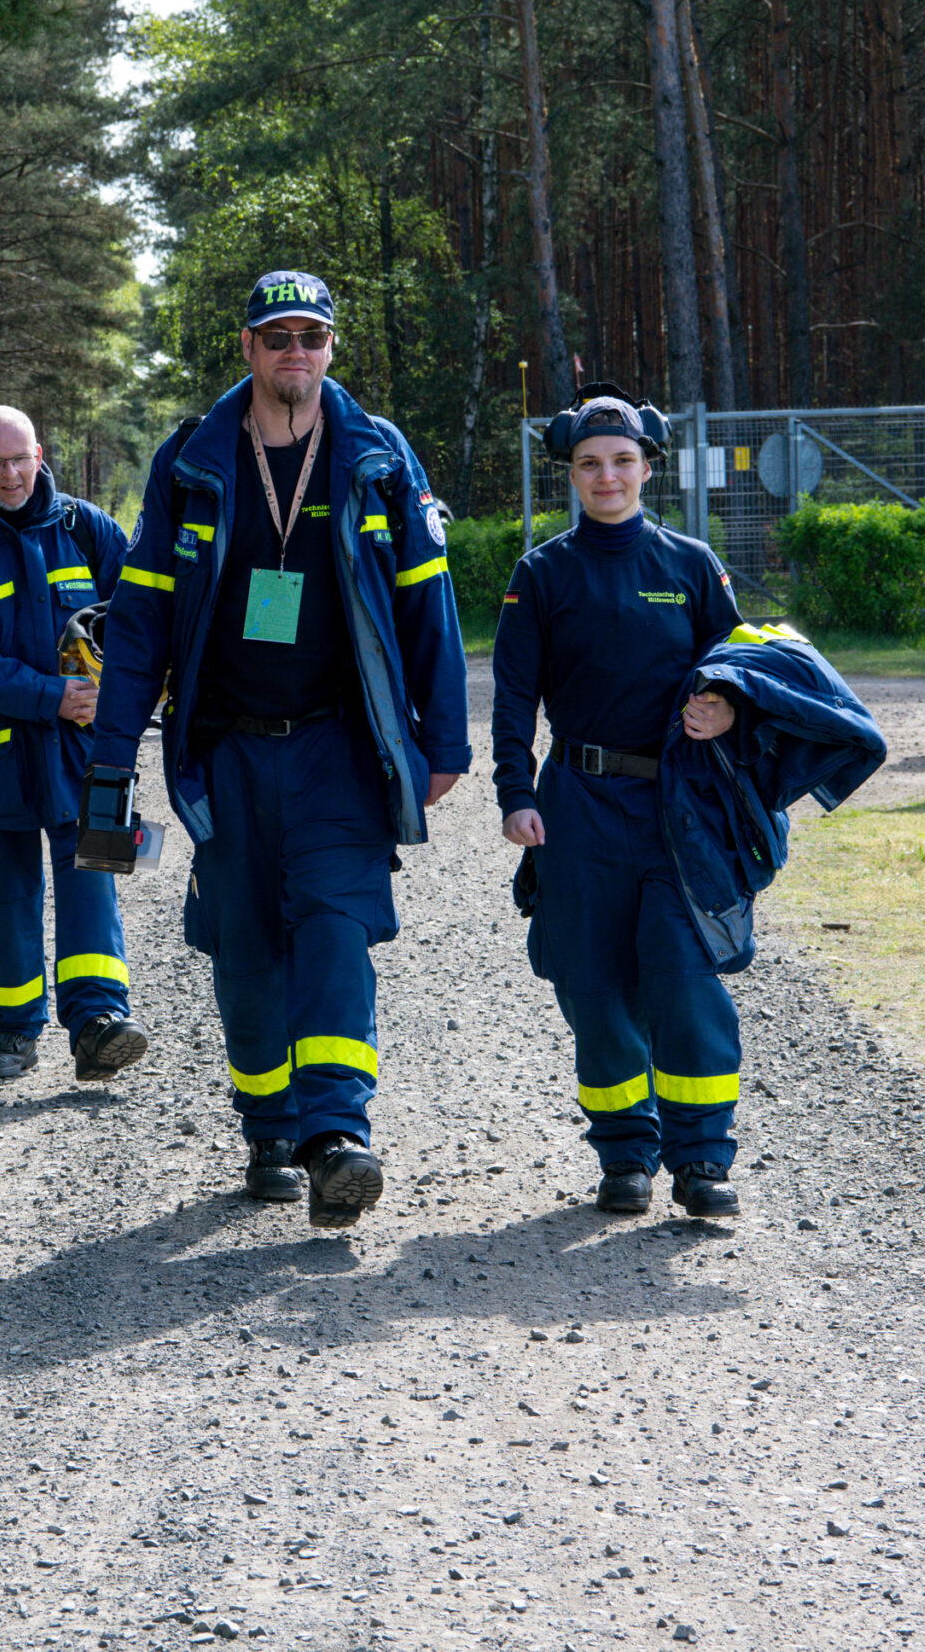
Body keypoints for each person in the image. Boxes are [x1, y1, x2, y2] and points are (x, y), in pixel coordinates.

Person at [88, 270, 470, 1228]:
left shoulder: (378, 455)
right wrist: (112, 753)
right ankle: (268, 1128)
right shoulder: (192, 459)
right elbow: (140, 620)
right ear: (248, 347)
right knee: (246, 946)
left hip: (341, 745)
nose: (295, 351)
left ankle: (337, 1134)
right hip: (228, 750)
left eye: (311, 335)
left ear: (331, 346)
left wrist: (444, 740)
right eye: (277, 336)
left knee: (336, 928)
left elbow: (429, 602)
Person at [491, 387, 750, 1219]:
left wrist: (727, 708)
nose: (607, 476)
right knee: (593, 984)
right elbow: (513, 697)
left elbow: (742, 668)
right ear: (571, 473)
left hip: (679, 807)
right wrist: (515, 792)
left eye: (622, 461)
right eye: (590, 463)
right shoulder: (542, 574)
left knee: (684, 977)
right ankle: (626, 1155)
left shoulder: (691, 565)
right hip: (578, 804)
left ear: (647, 468)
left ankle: (701, 1159)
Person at [0, 406, 150, 1082]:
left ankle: (98, 1024)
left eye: (21, 459)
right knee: (3, 893)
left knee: (94, 881)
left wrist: (121, 692)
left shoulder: (87, 527)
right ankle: (13, 1028)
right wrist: (50, 695)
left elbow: (141, 619)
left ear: (40, 455)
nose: (12, 474)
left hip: (86, 748)